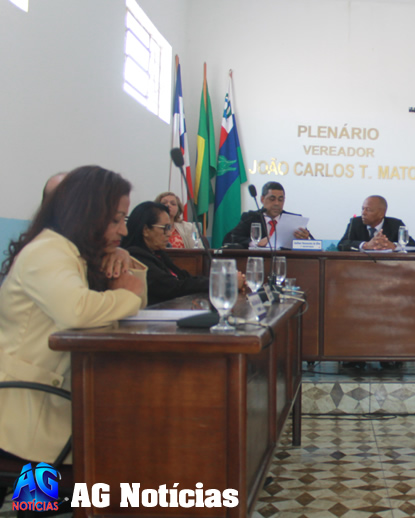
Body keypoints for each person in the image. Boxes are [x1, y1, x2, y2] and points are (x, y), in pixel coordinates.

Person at [0, 166, 147, 463]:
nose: (123, 231)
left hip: (56, 396)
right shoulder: (47, 251)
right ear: (87, 213)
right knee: (125, 445)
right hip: (24, 408)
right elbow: (76, 312)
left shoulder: (75, 252)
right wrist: (126, 295)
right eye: (116, 220)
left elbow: (134, 301)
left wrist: (123, 260)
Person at [123, 202, 244, 305]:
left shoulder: (158, 253)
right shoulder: (136, 256)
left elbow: (185, 277)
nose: (169, 234)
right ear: (145, 230)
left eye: (169, 228)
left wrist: (221, 280)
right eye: (164, 228)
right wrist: (223, 283)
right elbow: (172, 287)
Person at [223, 181, 311, 248]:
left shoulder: (293, 219)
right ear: (262, 199)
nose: (277, 203)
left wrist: (306, 240)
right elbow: (229, 238)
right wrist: (255, 243)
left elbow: (313, 242)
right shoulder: (251, 217)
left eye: (280, 200)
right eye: (272, 199)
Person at [338, 195, 415, 251]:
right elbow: (342, 244)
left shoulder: (395, 224)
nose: (363, 213)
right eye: (363, 209)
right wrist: (365, 245)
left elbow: (413, 246)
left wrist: (394, 246)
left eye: (368, 210)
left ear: (381, 213)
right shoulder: (355, 223)